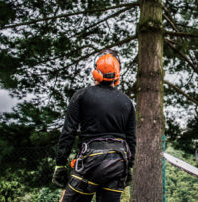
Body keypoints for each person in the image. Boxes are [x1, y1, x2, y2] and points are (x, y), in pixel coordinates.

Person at [52, 49, 136, 202]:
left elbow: (68, 132)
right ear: (116, 76)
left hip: (90, 163)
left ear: (95, 72)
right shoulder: (127, 102)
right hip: (118, 164)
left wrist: (60, 164)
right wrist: (129, 166)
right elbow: (131, 138)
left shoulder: (82, 95)